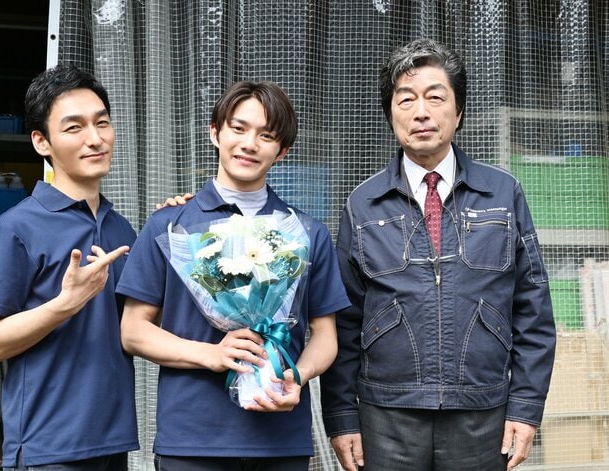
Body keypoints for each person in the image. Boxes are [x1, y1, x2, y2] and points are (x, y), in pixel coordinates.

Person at [320, 38, 556, 471]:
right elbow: (343, 322)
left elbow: (533, 309)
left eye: (435, 97)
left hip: (483, 410)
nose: (421, 112)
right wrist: (341, 417)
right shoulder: (362, 204)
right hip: (386, 415)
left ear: (458, 111)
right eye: (406, 99)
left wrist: (525, 407)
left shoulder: (503, 194)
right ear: (391, 113)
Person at [116, 80, 351, 470]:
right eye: (238, 128)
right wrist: (213, 354)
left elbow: (325, 335)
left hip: (281, 438)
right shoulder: (170, 226)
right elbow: (133, 331)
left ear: (282, 151)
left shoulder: (306, 233)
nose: (249, 144)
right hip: (191, 440)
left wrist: (296, 375)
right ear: (215, 132)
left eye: (266, 135)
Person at [0, 64, 139, 470]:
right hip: (48, 448)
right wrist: (65, 304)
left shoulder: (121, 229)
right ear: (41, 142)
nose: (95, 138)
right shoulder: (16, 229)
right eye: (74, 127)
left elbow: (138, 327)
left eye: (102, 123)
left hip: (112, 442)